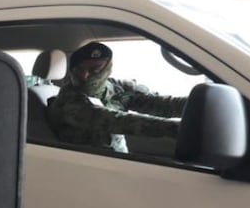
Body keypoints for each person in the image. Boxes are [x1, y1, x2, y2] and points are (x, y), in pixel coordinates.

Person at [47, 41, 188, 153]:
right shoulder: (67, 100)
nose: (85, 76)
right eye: (79, 69)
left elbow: (160, 104)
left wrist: (196, 106)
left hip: (117, 163)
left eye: (95, 70)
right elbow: (117, 121)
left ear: (107, 69)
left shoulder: (117, 88)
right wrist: (175, 129)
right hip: (84, 168)